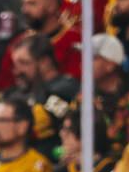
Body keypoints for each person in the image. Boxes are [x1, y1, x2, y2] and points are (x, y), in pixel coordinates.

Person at [0, 0, 84, 92]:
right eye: (24, 3)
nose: (24, 9)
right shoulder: (18, 42)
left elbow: (76, 85)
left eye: (31, 4)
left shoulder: (75, 40)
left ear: (51, 6)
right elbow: (3, 86)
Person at [7, 33, 81, 161]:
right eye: (15, 65)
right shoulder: (17, 93)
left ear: (44, 63)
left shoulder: (65, 90)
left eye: (23, 63)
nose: (16, 71)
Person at [92, 33, 129, 168]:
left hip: (127, 166)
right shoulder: (85, 95)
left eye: (92, 58)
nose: (83, 63)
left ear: (110, 65)